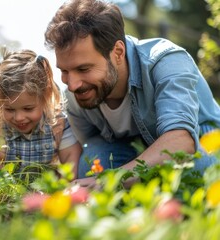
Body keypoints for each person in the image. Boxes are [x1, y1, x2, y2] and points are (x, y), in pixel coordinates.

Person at [44, 0, 220, 186]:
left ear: (118, 52)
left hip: (203, 140)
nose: (72, 85)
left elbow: (181, 141)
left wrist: (109, 181)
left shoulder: (166, 62)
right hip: (137, 151)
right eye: (64, 71)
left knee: (191, 165)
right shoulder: (75, 94)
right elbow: (83, 149)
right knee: (94, 157)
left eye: (84, 69)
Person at [0, 49, 81, 179]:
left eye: (28, 109)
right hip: (9, 194)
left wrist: (63, 188)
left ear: (45, 96)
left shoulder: (57, 124)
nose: (19, 118)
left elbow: (70, 157)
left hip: (47, 193)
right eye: (9, 110)